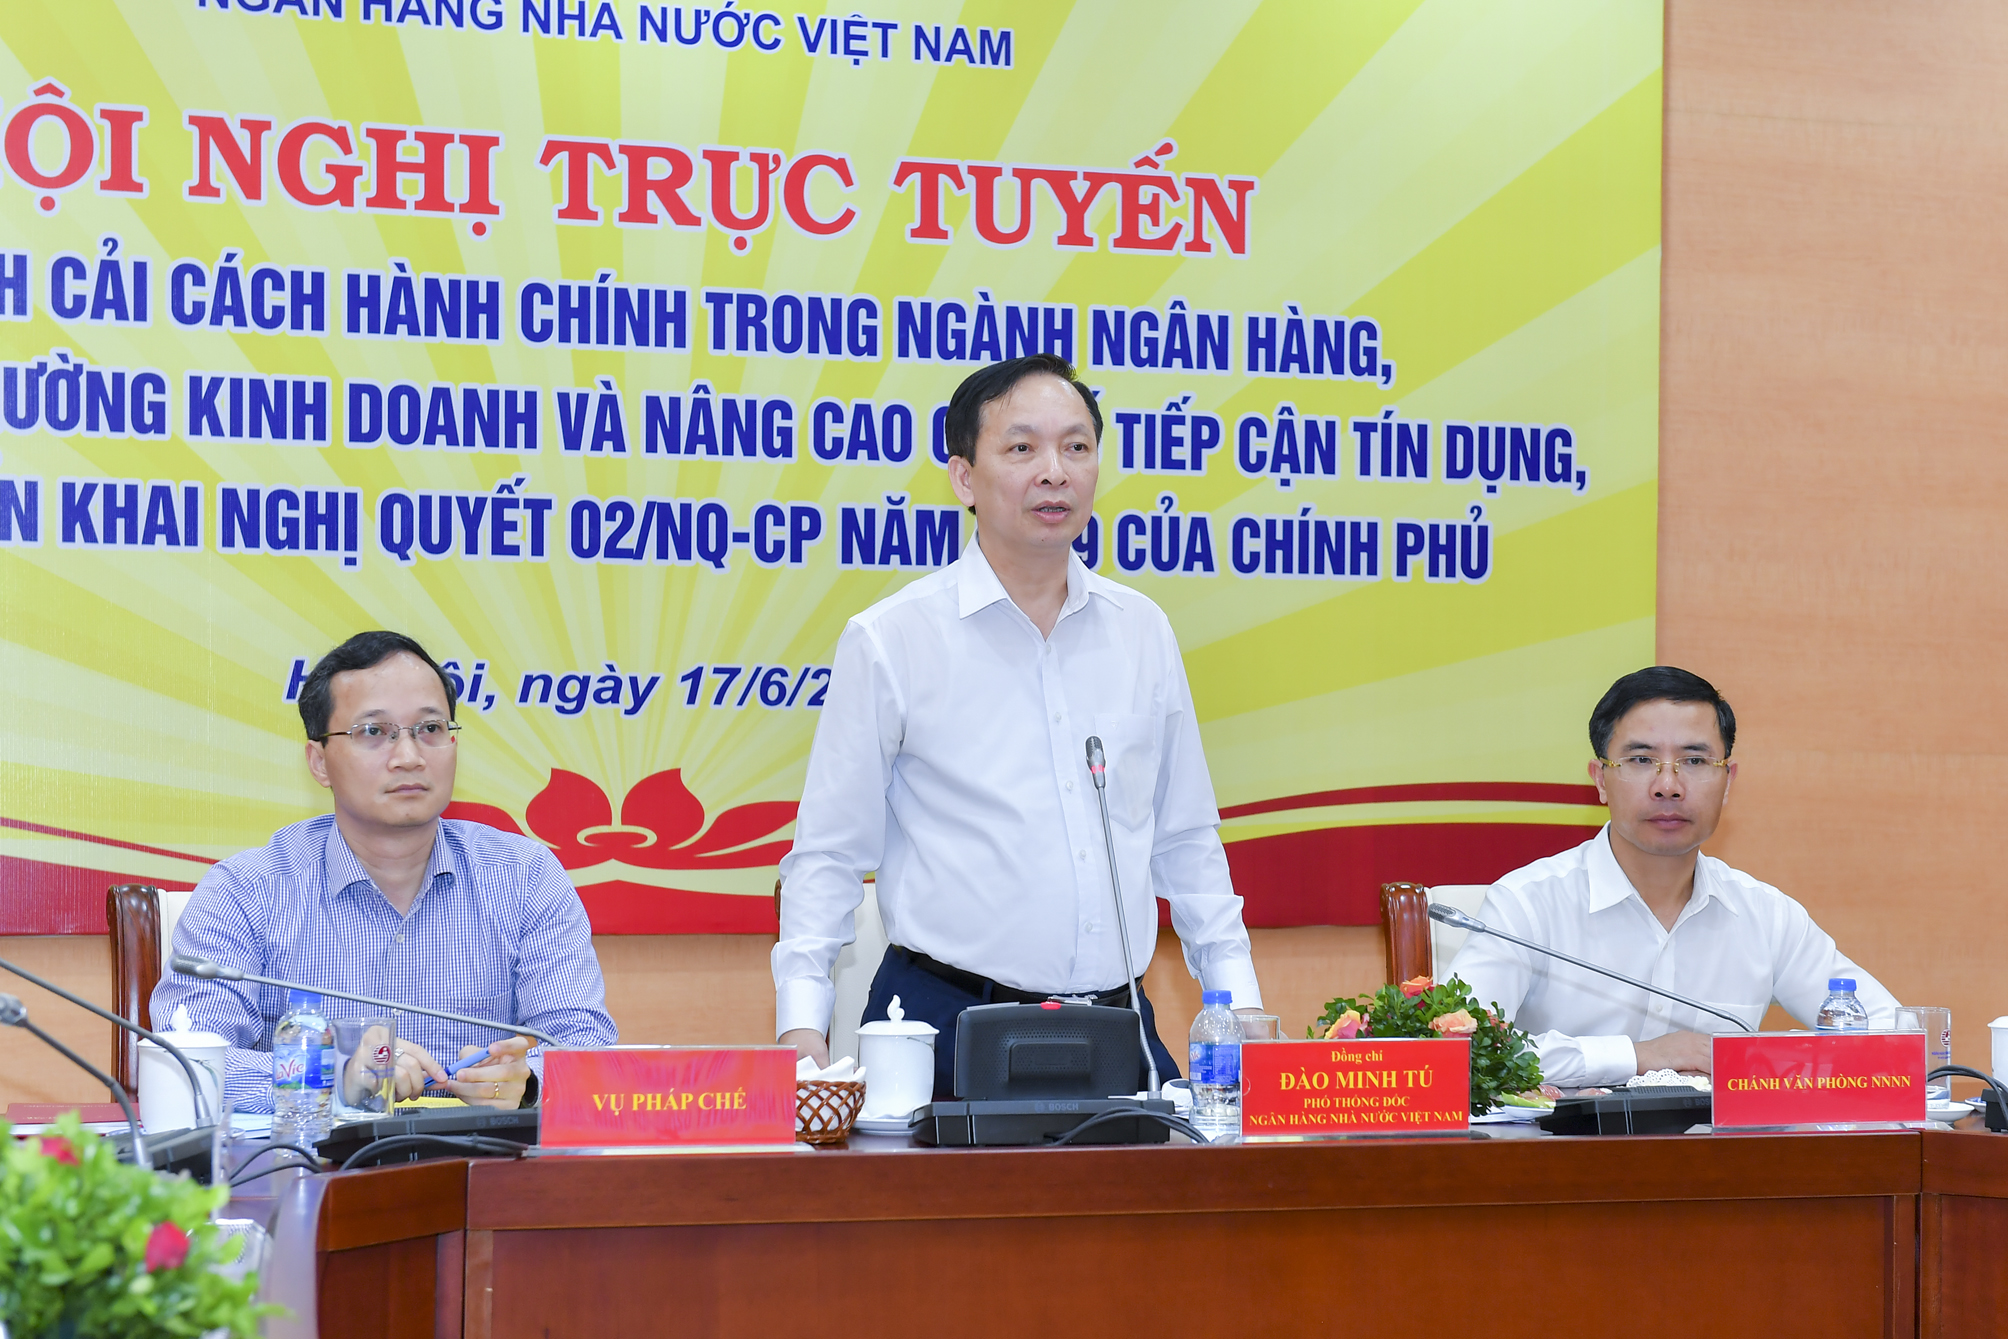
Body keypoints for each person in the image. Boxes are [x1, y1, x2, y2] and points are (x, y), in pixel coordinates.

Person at [773, 353, 1262, 1098]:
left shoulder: (1142, 631)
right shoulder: (892, 639)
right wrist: (802, 1031)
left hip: (1115, 1026)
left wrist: (1241, 1004)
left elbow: (1187, 842)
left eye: (1076, 447)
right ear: (964, 477)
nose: (1054, 472)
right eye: (1022, 447)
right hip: (946, 1026)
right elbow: (830, 855)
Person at [152, 631, 617, 1114]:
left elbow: (586, 1048)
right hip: (312, 1160)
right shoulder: (247, 891)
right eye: (374, 732)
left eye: (430, 728)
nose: (409, 757)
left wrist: (528, 1083)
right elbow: (185, 1063)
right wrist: (335, 1078)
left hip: (480, 1157)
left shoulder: (524, 877)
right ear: (319, 762)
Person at [1448, 666, 1896, 1088]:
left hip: (1720, 1146)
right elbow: (1458, 1049)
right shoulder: (1528, 904)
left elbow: (1893, 1036)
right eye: (1641, 759)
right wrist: (1637, 1056)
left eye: (1695, 761)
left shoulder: (1765, 915)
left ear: (1728, 781)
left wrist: (1766, 1059)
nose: (1668, 786)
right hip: (1563, 1144)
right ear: (1600, 780)